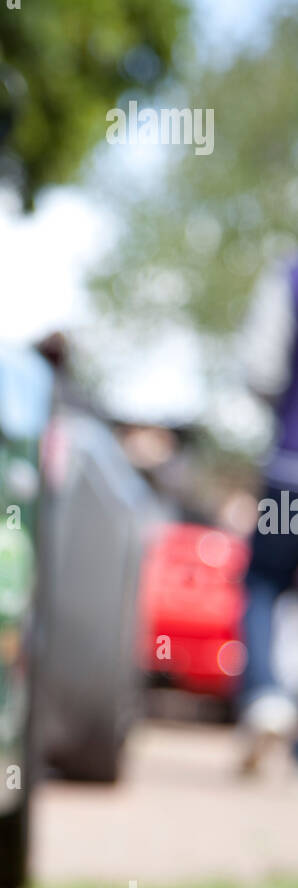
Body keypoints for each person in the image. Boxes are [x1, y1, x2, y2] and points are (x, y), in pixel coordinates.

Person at [239, 255, 298, 769]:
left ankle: (267, 698)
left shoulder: (290, 275)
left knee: (263, 583)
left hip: (290, 476)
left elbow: (262, 371)